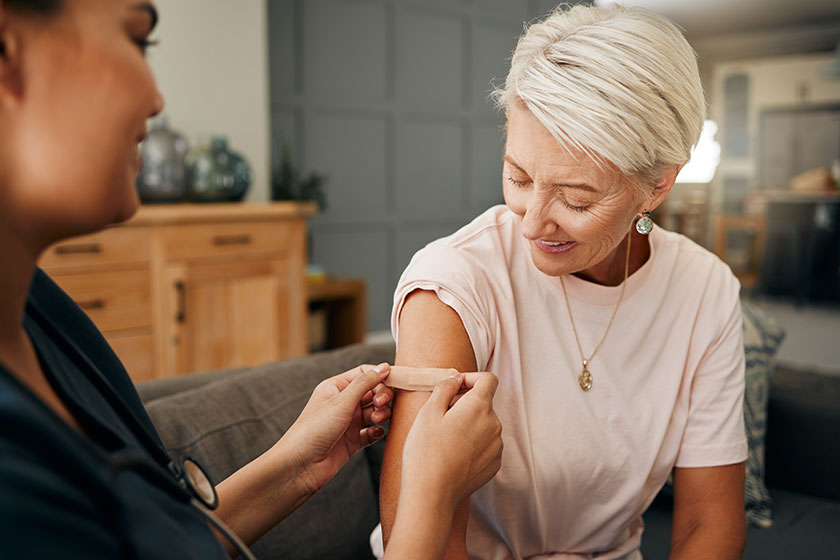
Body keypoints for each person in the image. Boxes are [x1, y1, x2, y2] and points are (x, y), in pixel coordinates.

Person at [0, 1, 502, 558]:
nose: (156, 99)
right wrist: (432, 495)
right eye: (139, 40)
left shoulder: (45, 319)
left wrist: (293, 470)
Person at [380, 4, 747, 560]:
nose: (531, 224)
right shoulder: (452, 285)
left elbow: (708, 521)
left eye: (576, 199)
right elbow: (421, 536)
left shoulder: (705, 290)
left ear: (657, 186)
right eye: (518, 178)